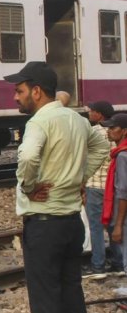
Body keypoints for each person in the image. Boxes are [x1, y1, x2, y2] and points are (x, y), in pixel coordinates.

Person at [4, 61, 109, 313]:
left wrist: (28, 187)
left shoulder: (39, 122)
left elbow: (28, 157)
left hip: (44, 224)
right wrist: (80, 177)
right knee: (71, 292)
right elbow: (102, 146)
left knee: (45, 298)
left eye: (20, 91)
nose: (15, 96)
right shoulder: (77, 119)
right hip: (71, 223)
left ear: (36, 91)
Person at [84, 100, 119, 276]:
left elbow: (85, 158)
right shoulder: (119, 132)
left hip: (95, 185)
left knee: (96, 227)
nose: (89, 114)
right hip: (113, 186)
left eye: (92, 111)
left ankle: (98, 265)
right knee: (115, 224)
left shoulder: (94, 132)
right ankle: (119, 263)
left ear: (99, 115)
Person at [102, 113, 127, 278]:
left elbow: (123, 191)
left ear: (124, 131)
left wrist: (118, 225)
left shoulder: (122, 156)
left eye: (113, 128)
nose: (108, 131)